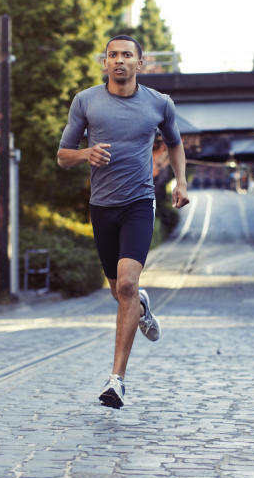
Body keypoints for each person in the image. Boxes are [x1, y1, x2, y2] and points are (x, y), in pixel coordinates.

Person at [57, 35, 189, 409]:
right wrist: (85, 153)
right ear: (105, 63)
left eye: (126, 55)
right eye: (112, 55)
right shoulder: (86, 101)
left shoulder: (159, 104)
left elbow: (175, 142)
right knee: (120, 293)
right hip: (102, 207)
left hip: (138, 203)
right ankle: (142, 309)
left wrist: (180, 181)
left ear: (139, 64)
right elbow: (63, 156)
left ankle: (116, 381)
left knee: (128, 284)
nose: (119, 61)